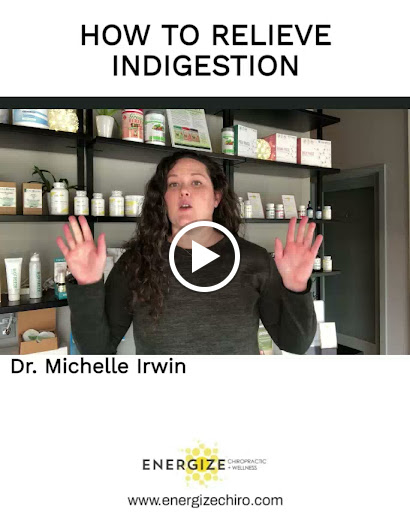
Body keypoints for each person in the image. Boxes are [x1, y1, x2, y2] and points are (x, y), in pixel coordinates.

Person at [57, 151, 323, 355]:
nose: (184, 190)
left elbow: (295, 344)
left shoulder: (254, 260)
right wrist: (87, 285)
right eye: (173, 185)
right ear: (163, 199)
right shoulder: (136, 262)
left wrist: (297, 287)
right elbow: (97, 349)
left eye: (196, 183)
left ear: (216, 197)